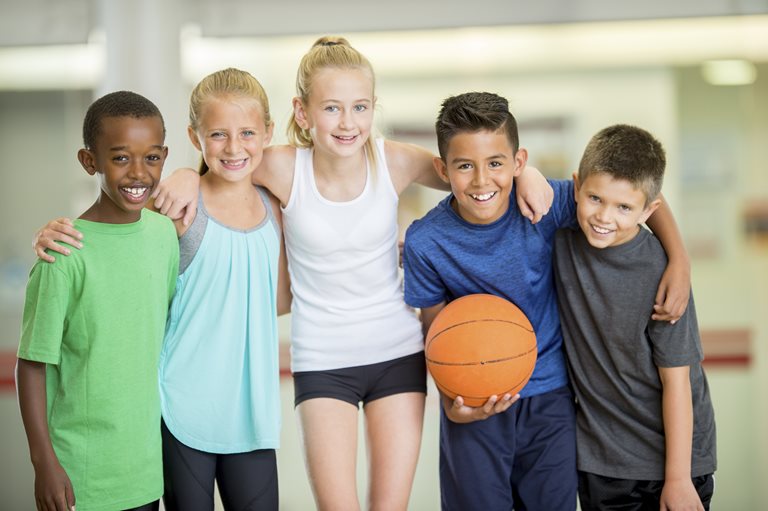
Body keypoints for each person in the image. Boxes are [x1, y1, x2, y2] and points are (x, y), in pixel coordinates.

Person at [123, 36, 551, 511]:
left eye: (360, 107)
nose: (348, 123)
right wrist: (183, 174)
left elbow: (470, 173)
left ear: (372, 109)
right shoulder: (284, 167)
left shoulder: (393, 160)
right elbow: (227, 157)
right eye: (331, 108)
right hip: (322, 359)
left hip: (396, 352)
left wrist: (526, 173)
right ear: (302, 113)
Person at [401, 92, 692, 510]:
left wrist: (679, 260)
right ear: (442, 169)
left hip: (551, 398)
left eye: (496, 164)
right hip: (475, 399)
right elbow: (434, 330)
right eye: (465, 166)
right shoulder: (425, 241)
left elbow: (634, 195)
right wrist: (453, 404)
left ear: (518, 163)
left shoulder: (544, 204)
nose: (482, 181)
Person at [32, 68, 291, 510]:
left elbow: (280, 301)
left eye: (247, 132)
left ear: (267, 132)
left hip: (251, 411)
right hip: (179, 408)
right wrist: (53, 234)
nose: (233, 146)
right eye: (218, 134)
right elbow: (116, 220)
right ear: (196, 138)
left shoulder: (276, 206)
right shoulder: (174, 208)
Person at [16, 91, 179, 511]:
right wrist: (44, 463)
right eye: (121, 158)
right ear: (90, 162)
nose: (138, 173)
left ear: (164, 155)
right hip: (80, 472)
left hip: (145, 467)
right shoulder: (63, 254)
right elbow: (32, 365)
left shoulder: (164, 236)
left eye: (152, 158)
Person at [553, 124, 716, 510]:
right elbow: (506, 180)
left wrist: (677, 479)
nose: (604, 216)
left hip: (678, 460)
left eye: (624, 207)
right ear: (576, 186)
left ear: (648, 211)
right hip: (603, 460)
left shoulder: (662, 273)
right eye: (595, 198)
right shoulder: (561, 231)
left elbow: (677, 382)